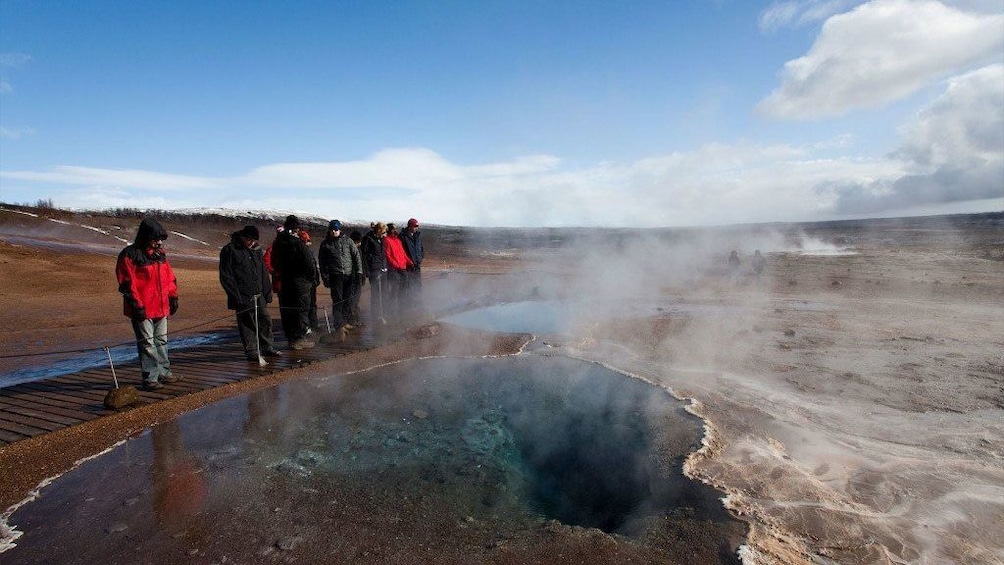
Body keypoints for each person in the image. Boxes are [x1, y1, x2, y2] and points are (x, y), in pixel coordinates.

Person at [116, 217, 180, 390]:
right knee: (147, 343)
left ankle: (164, 372)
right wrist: (136, 305)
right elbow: (127, 283)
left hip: (161, 305)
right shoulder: (130, 255)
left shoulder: (160, 255)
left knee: (161, 341)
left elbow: (169, 278)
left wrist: (173, 296)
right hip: (143, 306)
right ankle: (151, 377)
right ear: (146, 237)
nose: (159, 243)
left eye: (160, 240)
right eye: (156, 239)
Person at [219, 225, 280, 363]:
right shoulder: (230, 250)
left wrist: (267, 290)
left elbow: (263, 271)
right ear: (243, 237)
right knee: (247, 323)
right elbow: (226, 276)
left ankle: (267, 347)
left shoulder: (256, 250)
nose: (252, 243)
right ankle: (252, 351)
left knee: (265, 319)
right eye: (249, 240)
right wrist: (236, 296)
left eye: (254, 240)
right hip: (242, 295)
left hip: (259, 293)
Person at [269, 215, 316, 350]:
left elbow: (273, 262)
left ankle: (291, 338)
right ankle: (299, 338)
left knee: (288, 309)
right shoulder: (297, 243)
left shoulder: (278, 242)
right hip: (300, 281)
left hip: (285, 280)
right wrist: (309, 279)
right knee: (301, 310)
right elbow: (308, 263)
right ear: (295, 228)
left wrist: (280, 272)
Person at [318, 219, 363, 334]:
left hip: (348, 274)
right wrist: (325, 277)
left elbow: (356, 256)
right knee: (338, 301)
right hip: (335, 275)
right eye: (332, 230)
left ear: (339, 229)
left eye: (336, 229)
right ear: (329, 230)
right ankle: (339, 325)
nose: (334, 232)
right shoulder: (326, 244)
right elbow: (322, 263)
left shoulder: (348, 241)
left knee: (347, 299)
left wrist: (359, 272)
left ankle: (345, 321)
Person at [383, 223, 413, 319]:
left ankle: (402, 309)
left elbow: (403, 253)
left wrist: (410, 262)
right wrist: (395, 265)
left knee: (404, 288)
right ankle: (391, 311)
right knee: (394, 289)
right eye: (393, 229)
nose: (395, 230)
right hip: (394, 268)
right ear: (389, 230)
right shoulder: (386, 240)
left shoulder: (398, 240)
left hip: (402, 267)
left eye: (395, 228)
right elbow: (387, 255)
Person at [361, 222, 388, 324]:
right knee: (376, 292)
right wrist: (367, 270)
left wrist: (385, 265)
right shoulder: (368, 239)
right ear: (379, 231)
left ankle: (384, 313)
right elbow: (364, 256)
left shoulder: (381, 239)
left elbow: (383, 253)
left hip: (382, 267)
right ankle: (376, 314)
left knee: (384, 291)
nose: (385, 234)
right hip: (374, 268)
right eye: (384, 232)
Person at [299, 228, 321, 332]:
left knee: (312, 304)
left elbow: (314, 266)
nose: (308, 243)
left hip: (312, 281)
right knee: (305, 306)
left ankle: (314, 324)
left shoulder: (310, 252)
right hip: (304, 282)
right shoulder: (299, 252)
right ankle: (305, 327)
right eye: (306, 241)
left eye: (308, 241)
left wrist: (316, 279)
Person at [401, 218, 425, 302]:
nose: (417, 228)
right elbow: (402, 251)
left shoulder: (418, 235)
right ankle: (409, 303)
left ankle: (418, 302)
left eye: (417, 226)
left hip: (417, 264)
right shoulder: (403, 236)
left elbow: (421, 248)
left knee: (417, 284)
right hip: (408, 266)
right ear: (410, 226)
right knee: (409, 285)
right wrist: (408, 261)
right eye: (415, 226)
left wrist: (421, 257)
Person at [347, 230, 365, 327]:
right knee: (351, 300)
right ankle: (351, 320)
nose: (358, 243)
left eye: (359, 242)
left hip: (358, 277)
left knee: (356, 299)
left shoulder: (360, 250)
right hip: (351, 278)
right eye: (357, 242)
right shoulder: (348, 250)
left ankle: (356, 319)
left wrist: (363, 276)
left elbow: (362, 263)